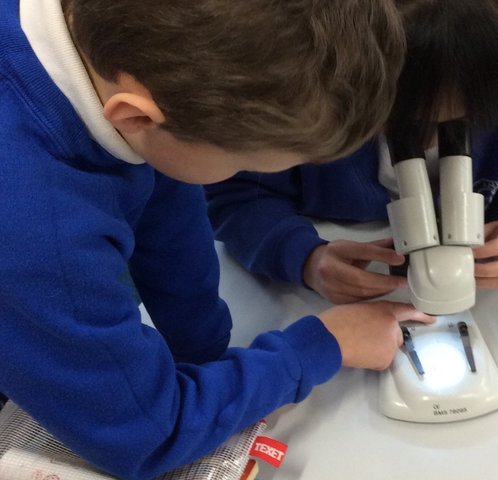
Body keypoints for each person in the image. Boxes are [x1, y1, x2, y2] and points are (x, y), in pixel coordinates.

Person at [0, 0, 436, 478]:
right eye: (243, 166)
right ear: (135, 116)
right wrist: (320, 345)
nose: (245, 173)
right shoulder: (38, 230)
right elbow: (145, 438)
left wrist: (205, 348)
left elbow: (164, 185)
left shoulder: (120, 60)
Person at [205, 0, 498, 305]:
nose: (421, 137)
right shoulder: (300, 68)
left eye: (442, 117)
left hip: (482, 293)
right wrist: (303, 257)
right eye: (394, 116)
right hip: (322, 276)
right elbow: (236, 195)